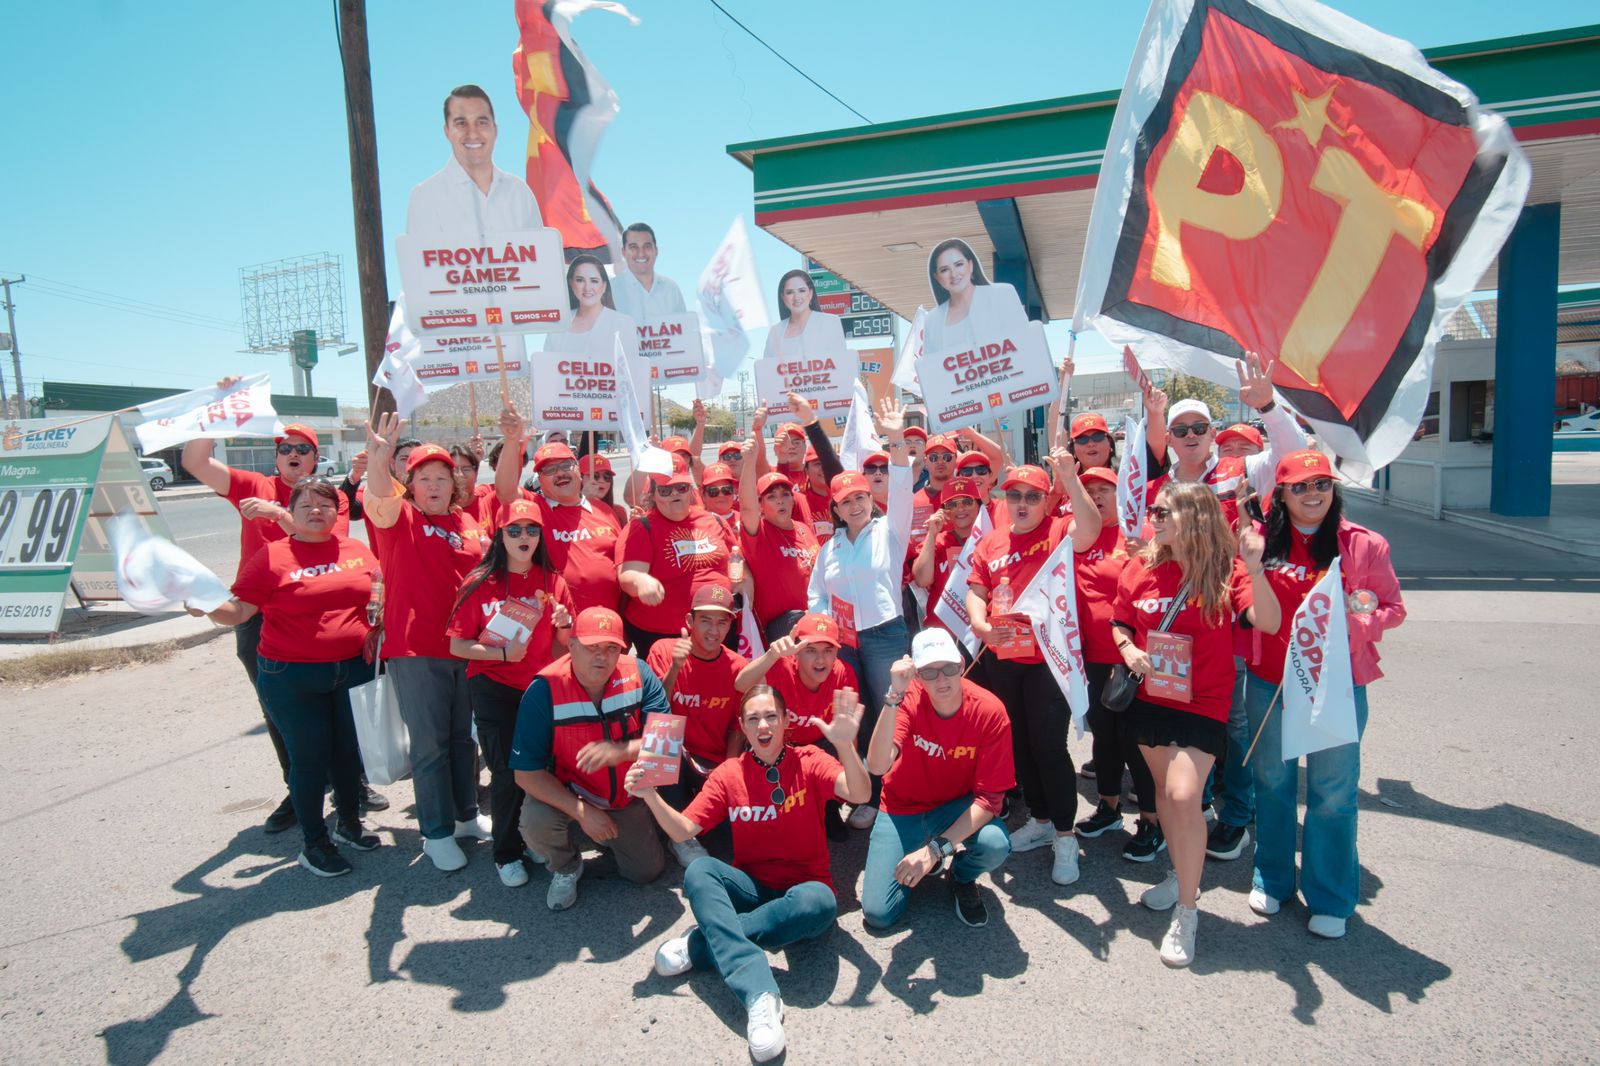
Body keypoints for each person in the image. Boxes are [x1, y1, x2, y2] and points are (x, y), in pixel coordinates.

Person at [625, 685, 869, 1063]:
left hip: (805, 890)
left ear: (787, 722)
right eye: (753, 719)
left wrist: (846, 746)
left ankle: (702, 944)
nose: (763, 725)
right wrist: (650, 797)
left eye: (771, 715)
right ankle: (759, 992)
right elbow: (683, 830)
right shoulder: (729, 773)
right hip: (752, 887)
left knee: (821, 903)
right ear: (742, 726)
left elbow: (858, 791)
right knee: (701, 868)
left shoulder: (810, 759)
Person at [1111, 481, 1280, 967]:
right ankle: (1179, 874)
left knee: (1185, 796)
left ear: (1195, 516)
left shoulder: (1227, 574)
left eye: (1164, 512)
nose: (1155, 519)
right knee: (1164, 797)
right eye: (1153, 511)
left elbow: (1266, 621)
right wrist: (1128, 649)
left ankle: (1188, 909)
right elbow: (1120, 621)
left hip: (1202, 703)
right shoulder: (1141, 568)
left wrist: (1256, 566)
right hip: (1149, 700)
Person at [180, 405, 369, 832]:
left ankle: (349, 787)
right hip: (259, 614)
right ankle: (300, 785)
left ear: (316, 458)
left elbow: (328, 546)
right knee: (280, 710)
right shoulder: (255, 484)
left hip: (316, 616)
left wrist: (280, 516)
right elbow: (194, 462)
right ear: (277, 455)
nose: (294, 454)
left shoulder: (329, 497)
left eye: (304, 448)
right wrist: (214, 411)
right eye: (286, 448)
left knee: (343, 709)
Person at [1243, 450, 1405, 939]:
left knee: (1333, 794)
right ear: (1282, 496)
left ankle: (1331, 895)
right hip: (1272, 683)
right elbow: (1247, 603)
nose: (1313, 495)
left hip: (1336, 687)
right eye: (1300, 487)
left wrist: (1357, 623)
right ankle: (1272, 878)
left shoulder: (1364, 545)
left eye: (1322, 485)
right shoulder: (1260, 543)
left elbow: (1392, 608)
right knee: (1272, 783)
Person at [192, 478, 381, 877]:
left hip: (352, 669)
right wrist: (206, 606)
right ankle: (315, 844)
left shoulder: (356, 549)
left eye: (325, 504)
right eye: (306, 505)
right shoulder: (273, 557)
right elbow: (239, 611)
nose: (316, 511)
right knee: (309, 760)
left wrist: (376, 631)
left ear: (338, 511)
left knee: (349, 754)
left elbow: (377, 596)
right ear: (290, 513)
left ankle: (349, 824)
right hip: (291, 676)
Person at [363, 415, 492, 872]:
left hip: (466, 649)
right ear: (409, 484)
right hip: (417, 650)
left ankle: (465, 816)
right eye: (424, 478)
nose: (434, 485)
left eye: (442, 477)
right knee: (430, 746)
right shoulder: (400, 519)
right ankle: (435, 832)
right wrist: (380, 459)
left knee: (462, 740)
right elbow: (378, 498)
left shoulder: (468, 522)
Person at [966, 455, 1100, 883]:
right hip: (1005, 660)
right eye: (1014, 494)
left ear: (1046, 501)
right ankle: (1041, 821)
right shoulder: (992, 542)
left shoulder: (1059, 531)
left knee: (1049, 747)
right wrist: (980, 626)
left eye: (1032, 496)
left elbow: (1091, 529)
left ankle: (1065, 836)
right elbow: (976, 589)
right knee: (1019, 746)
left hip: (1049, 662)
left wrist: (1069, 478)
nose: (1022, 503)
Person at [447, 499, 575, 887]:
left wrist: (565, 624)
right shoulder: (478, 581)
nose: (524, 537)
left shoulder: (554, 582)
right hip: (493, 687)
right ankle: (505, 853)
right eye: (514, 530)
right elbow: (457, 646)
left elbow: (565, 646)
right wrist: (501, 653)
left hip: (537, 688)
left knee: (540, 769)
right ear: (499, 536)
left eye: (531, 530)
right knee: (506, 773)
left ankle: (531, 836)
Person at [510, 607, 669, 910]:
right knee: (534, 822)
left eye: (611, 648)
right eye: (592, 647)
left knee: (646, 872)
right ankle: (566, 866)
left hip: (624, 794)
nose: (602, 657)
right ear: (571, 646)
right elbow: (526, 774)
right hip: (571, 791)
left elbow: (668, 742)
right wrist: (582, 812)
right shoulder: (544, 690)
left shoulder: (639, 673)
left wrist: (621, 752)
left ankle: (611, 835)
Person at [807, 397, 915, 830]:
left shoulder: (890, 531)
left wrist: (894, 440)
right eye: (845, 501)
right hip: (844, 643)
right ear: (834, 509)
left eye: (861, 497)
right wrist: (821, 633)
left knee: (896, 712)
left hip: (885, 636)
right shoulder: (828, 549)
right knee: (857, 715)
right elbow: (816, 596)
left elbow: (904, 491)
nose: (855, 505)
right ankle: (868, 791)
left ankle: (901, 791)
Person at [861, 630, 1014, 929]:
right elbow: (878, 766)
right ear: (916, 675)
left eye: (948, 668)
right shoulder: (906, 700)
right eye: (929, 672)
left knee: (995, 843)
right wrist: (893, 697)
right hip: (902, 807)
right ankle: (918, 855)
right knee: (879, 914)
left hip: (953, 807)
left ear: (960, 664)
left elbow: (990, 800)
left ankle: (960, 874)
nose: (942, 680)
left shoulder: (990, 711)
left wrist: (935, 850)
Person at [1068, 468, 1162, 860]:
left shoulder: (1143, 532)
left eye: (1104, 489)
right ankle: (1107, 807)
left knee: (1139, 743)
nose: (1097, 496)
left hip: (1136, 658)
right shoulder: (1076, 536)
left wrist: (1150, 558)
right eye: (1088, 491)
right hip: (1092, 658)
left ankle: (1152, 822)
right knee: (1104, 739)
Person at [644, 581, 749, 866]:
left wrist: (728, 775)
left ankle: (686, 813)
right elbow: (656, 715)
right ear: (690, 621)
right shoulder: (664, 650)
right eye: (705, 621)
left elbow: (737, 730)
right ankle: (680, 838)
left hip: (710, 759)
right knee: (661, 735)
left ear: (730, 626)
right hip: (673, 754)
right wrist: (675, 668)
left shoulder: (738, 667)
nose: (713, 631)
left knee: (734, 835)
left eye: (721, 622)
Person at [494, 412, 625, 614]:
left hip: (609, 628)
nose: (560, 473)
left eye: (565, 465)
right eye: (549, 470)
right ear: (539, 480)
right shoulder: (535, 508)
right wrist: (512, 442)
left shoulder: (603, 510)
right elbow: (505, 492)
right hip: (560, 631)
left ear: (578, 471)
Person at [618, 468, 733, 654]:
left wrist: (745, 581)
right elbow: (628, 575)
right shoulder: (641, 527)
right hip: (662, 636)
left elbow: (736, 557)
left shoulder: (713, 520)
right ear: (653, 495)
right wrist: (640, 581)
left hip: (715, 630)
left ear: (690, 490)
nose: (674, 494)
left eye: (681, 487)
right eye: (665, 490)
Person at [407, 84, 541, 236]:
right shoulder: (425, 197)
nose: (472, 133)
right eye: (461, 123)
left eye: (482, 122)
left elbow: (540, 257)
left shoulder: (519, 193)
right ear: (447, 131)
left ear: (495, 130)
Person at [542, 254, 647, 427]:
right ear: (571, 283)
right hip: (569, 422)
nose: (587, 287)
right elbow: (550, 380)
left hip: (610, 420)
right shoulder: (558, 326)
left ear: (604, 285)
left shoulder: (623, 323)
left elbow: (632, 379)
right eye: (580, 279)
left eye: (594, 280)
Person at [738, 440, 820, 645]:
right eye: (772, 497)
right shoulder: (760, 534)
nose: (781, 500)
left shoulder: (804, 529)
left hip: (815, 622)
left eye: (785, 494)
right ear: (761, 505)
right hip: (781, 632)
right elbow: (747, 509)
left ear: (793, 500)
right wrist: (749, 462)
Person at [922, 238, 1029, 357]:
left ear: (971, 265)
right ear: (937, 277)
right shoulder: (932, 320)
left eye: (959, 264)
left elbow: (1025, 344)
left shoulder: (1002, 295)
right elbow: (932, 368)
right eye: (944, 270)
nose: (954, 274)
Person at [911, 475, 985, 635]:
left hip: (979, 632)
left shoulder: (989, 538)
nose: (960, 509)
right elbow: (922, 580)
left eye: (967, 501)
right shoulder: (938, 541)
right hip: (942, 633)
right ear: (944, 511)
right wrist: (931, 533)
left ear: (978, 505)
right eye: (952, 504)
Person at [763, 269, 845, 364]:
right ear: (783, 298)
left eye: (802, 291)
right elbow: (767, 370)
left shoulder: (830, 323)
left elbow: (841, 365)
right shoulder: (775, 332)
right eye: (790, 292)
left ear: (810, 293)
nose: (796, 297)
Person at [610, 222, 688, 324]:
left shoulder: (671, 289)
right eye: (633, 247)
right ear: (623, 252)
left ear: (656, 251)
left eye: (647, 246)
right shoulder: (610, 290)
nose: (641, 253)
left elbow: (684, 332)